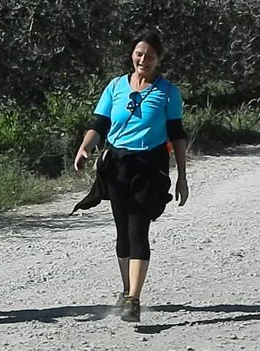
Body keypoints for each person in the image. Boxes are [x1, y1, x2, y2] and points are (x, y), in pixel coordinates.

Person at [72, 30, 188, 323]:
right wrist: (85, 148)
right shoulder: (115, 87)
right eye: (139, 54)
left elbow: (177, 135)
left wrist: (182, 177)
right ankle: (126, 291)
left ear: (159, 59)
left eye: (150, 56)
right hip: (117, 167)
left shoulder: (168, 92)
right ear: (132, 55)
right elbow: (99, 123)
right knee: (122, 232)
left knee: (138, 231)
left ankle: (134, 299)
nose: (143, 60)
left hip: (150, 168)